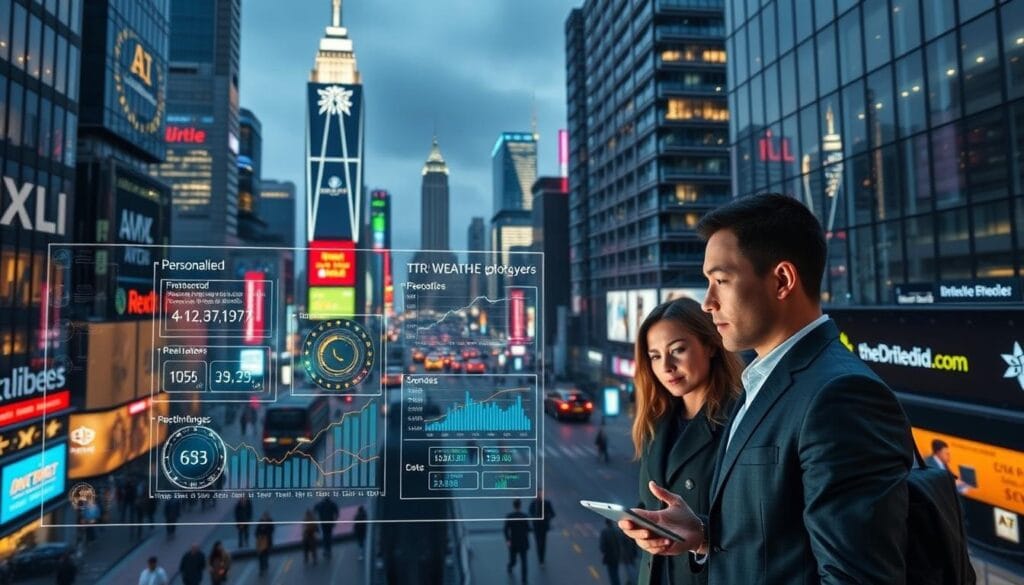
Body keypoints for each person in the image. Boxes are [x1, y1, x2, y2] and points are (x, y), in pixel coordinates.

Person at [619, 194, 913, 583]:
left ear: (782, 280)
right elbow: (780, 545)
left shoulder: (840, 395)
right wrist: (703, 535)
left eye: (720, 281)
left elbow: (856, 577)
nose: (707, 302)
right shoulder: (761, 383)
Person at [629, 297, 741, 585]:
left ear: (711, 345)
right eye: (654, 356)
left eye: (677, 350)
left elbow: (759, 524)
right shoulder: (654, 425)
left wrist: (701, 538)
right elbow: (649, 503)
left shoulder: (741, 419)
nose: (666, 366)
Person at [504, 498, 530, 584]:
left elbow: (505, 529)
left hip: (513, 542)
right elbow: (528, 528)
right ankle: (524, 580)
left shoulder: (509, 516)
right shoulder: (525, 517)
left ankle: (510, 566)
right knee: (524, 562)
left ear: (514, 506)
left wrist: (508, 540)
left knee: (513, 560)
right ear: (520, 506)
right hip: (523, 542)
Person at [527, 490, 556, 566]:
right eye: (538, 494)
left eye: (540, 494)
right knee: (538, 543)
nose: (539, 496)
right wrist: (534, 517)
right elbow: (530, 512)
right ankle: (540, 559)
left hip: (544, 526)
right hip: (536, 526)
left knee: (543, 543)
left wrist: (547, 517)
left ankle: (542, 559)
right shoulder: (533, 503)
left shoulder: (546, 503)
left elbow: (553, 514)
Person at [600, 519, 622, 585]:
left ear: (606, 523)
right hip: (616, 555)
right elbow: (620, 543)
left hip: (609, 556)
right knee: (616, 571)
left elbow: (602, 545)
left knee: (611, 573)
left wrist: (603, 552)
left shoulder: (604, 532)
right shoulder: (616, 531)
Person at [255, 511, 274, 576]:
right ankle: (261, 569)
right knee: (260, 557)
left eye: (266, 516)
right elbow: (256, 532)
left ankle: (265, 564)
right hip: (260, 542)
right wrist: (259, 535)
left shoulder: (270, 522)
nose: (264, 518)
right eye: (264, 517)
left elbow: (271, 530)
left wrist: (265, 531)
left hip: (267, 542)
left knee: (265, 555)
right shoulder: (260, 523)